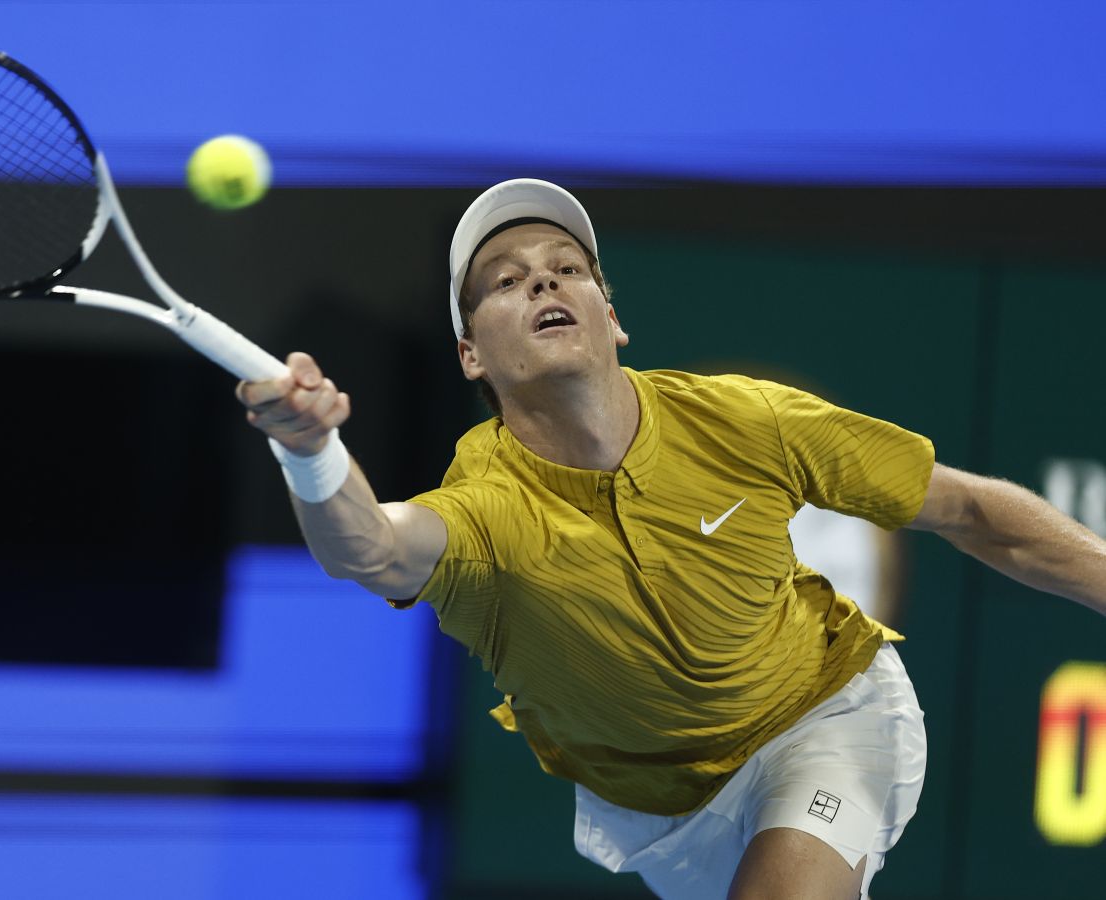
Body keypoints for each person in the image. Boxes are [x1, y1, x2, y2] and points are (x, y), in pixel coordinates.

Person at [235, 179, 1106, 900]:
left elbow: (971, 511)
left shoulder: (746, 421)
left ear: (610, 316)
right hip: (660, 815)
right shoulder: (487, 512)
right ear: (471, 356)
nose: (543, 285)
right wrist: (310, 452)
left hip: (825, 716)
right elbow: (370, 548)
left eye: (567, 269)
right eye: (505, 281)